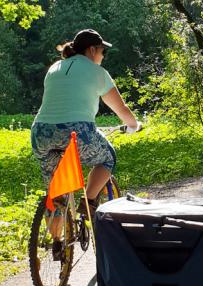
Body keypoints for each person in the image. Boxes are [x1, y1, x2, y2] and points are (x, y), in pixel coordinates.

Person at [30, 29, 141, 258]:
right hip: (76, 132)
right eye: (103, 52)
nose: (103, 56)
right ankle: (88, 201)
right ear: (92, 50)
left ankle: (58, 242)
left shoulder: (54, 69)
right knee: (107, 157)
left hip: (40, 132)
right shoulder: (97, 71)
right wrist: (134, 125)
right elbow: (121, 110)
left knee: (57, 191)